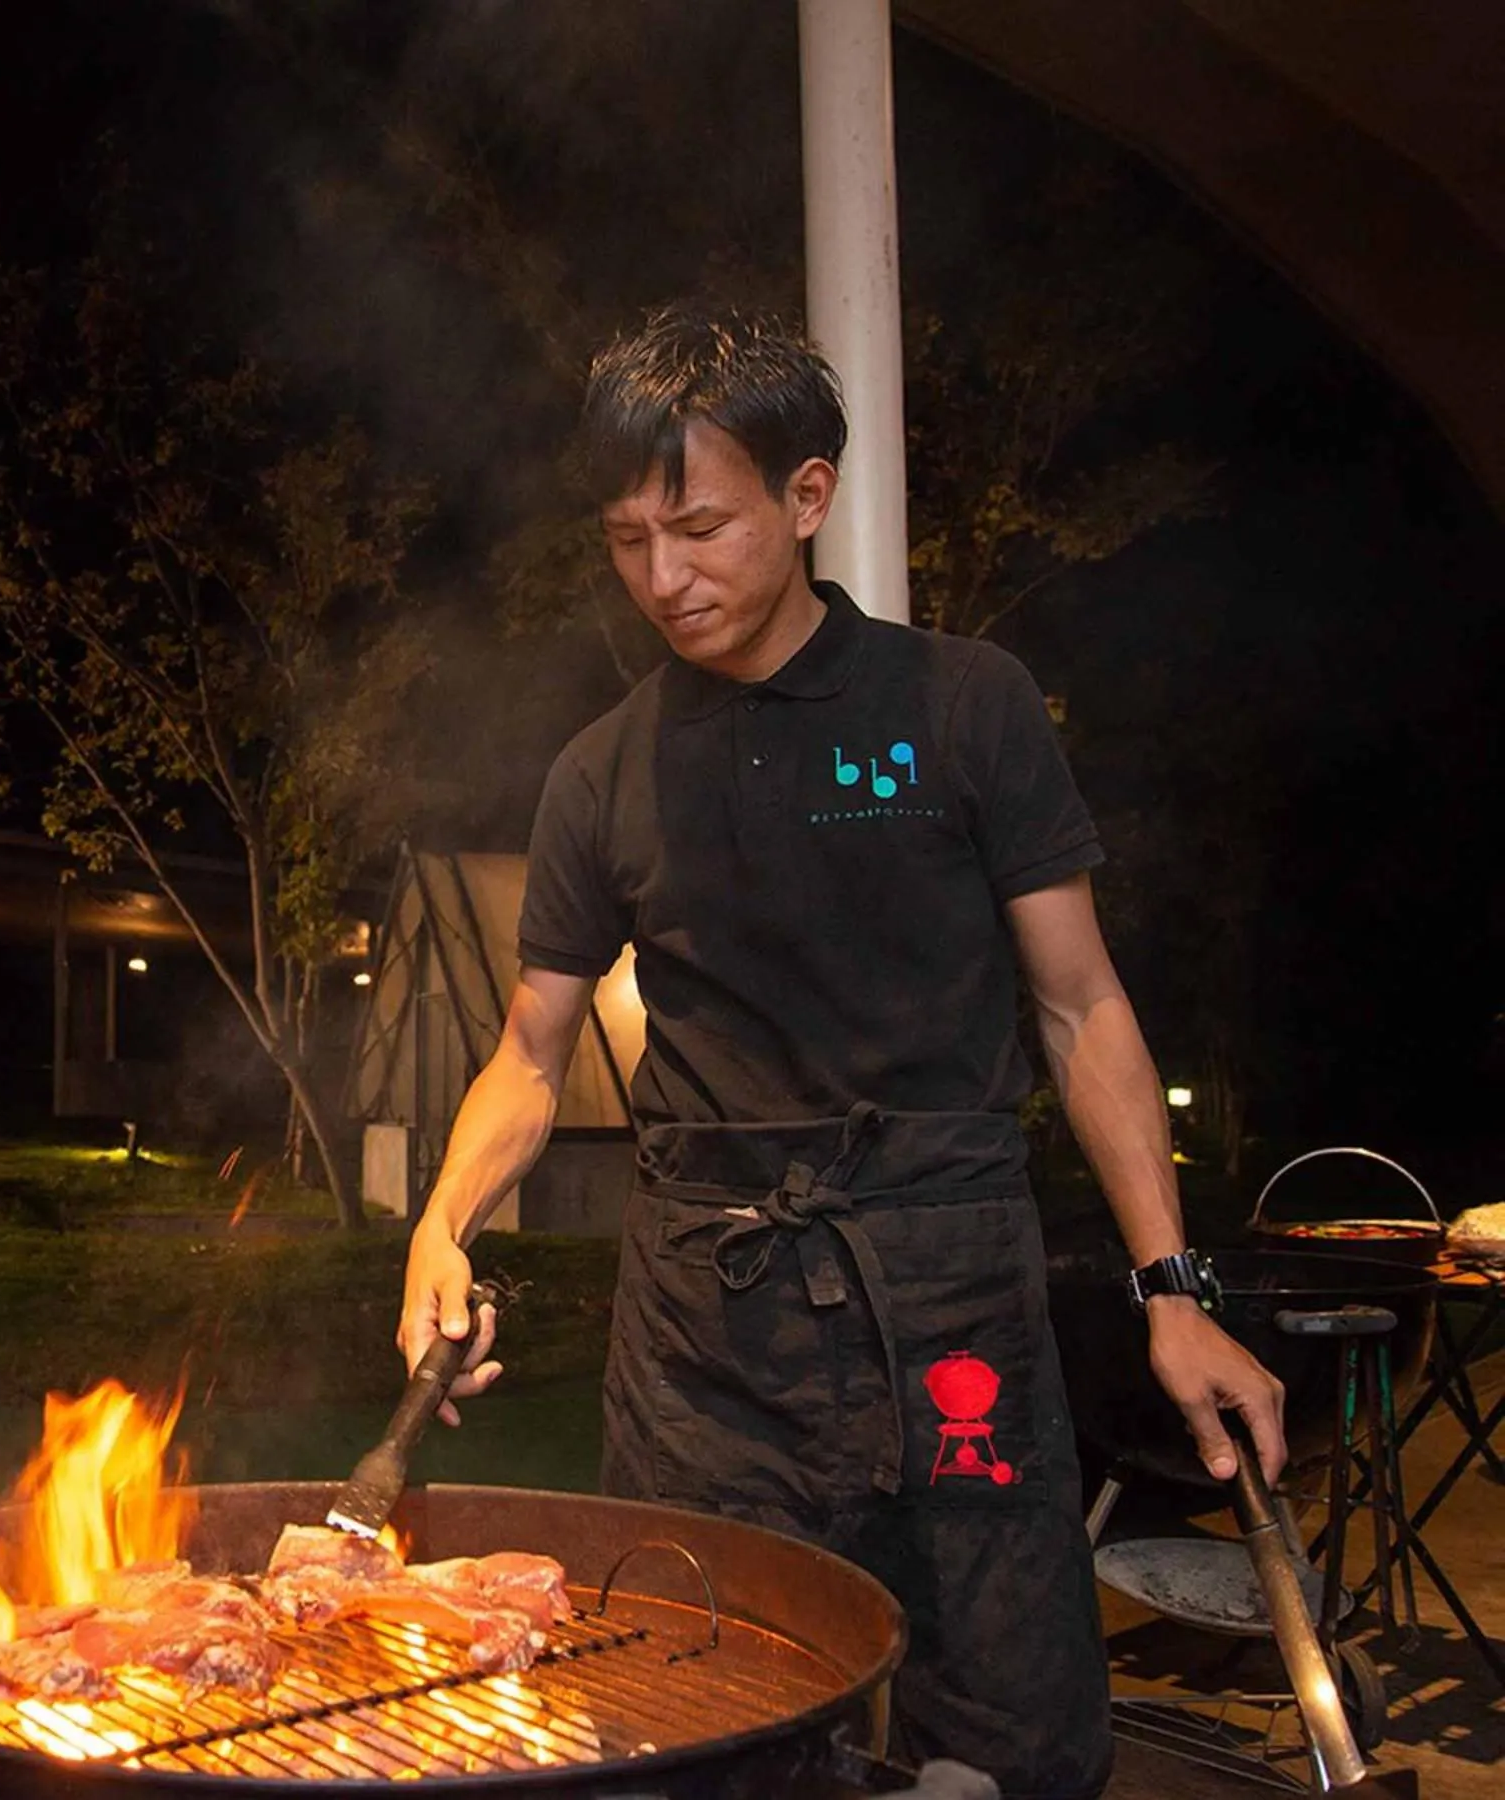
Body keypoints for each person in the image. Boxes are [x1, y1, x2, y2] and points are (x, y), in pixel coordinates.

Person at [395, 306, 1285, 1798]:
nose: (663, 580)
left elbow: (1082, 1008)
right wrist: (441, 1221)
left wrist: (1170, 1291)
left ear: (808, 498)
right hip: (704, 1323)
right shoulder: (601, 771)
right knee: (693, 1722)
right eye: (626, 540)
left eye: (699, 527)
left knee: (1007, 1727)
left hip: (947, 1290)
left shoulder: (961, 703)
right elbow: (532, 1053)